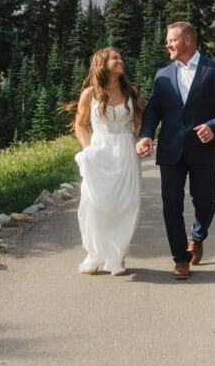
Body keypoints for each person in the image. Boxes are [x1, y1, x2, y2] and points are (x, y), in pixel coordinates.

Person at [136, 22, 215, 280]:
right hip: (171, 150)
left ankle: (197, 236)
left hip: (204, 148)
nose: (167, 44)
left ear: (188, 40)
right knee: (171, 205)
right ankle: (180, 259)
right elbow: (153, 111)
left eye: (172, 40)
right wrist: (146, 135)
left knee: (205, 201)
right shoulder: (162, 75)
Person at [69, 47, 145, 276]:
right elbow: (80, 125)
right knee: (95, 205)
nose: (120, 60)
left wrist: (142, 141)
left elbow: (140, 124)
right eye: (114, 58)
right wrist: (89, 150)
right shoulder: (90, 94)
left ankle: (117, 257)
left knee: (126, 204)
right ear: (102, 63)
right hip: (99, 153)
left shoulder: (131, 92)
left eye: (121, 57)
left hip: (125, 152)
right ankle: (94, 254)